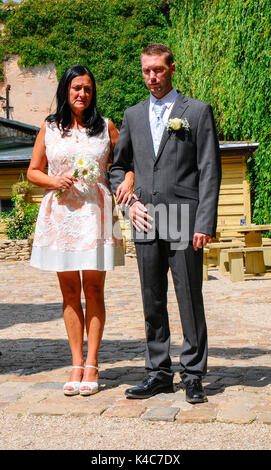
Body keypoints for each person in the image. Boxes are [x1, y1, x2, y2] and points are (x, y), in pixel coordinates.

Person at [110, 44, 221, 403]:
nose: (152, 77)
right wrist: (128, 205)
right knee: (151, 299)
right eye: (146, 71)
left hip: (184, 219)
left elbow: (209, 171)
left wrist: (204, 222)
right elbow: (116, 168)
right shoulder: (132, 115)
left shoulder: (198, 112)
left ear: (171, 68)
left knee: (190, 297)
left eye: (158, 69)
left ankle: (192, 374)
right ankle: (158, 372)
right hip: (144, 219)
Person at [27, 65, 133, 396]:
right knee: (70, 293)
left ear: (92, 92)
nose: (81, 94)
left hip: (96, 216)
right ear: (65, 90)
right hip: (60, 216)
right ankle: (75, 362)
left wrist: (128, 180)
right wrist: (52, 180)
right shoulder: (50, 128)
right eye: (76, 88)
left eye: (87, 88)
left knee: (95, 291)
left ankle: (93, 364)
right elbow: (32, 171)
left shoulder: (106, 127)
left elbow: (126, 163)